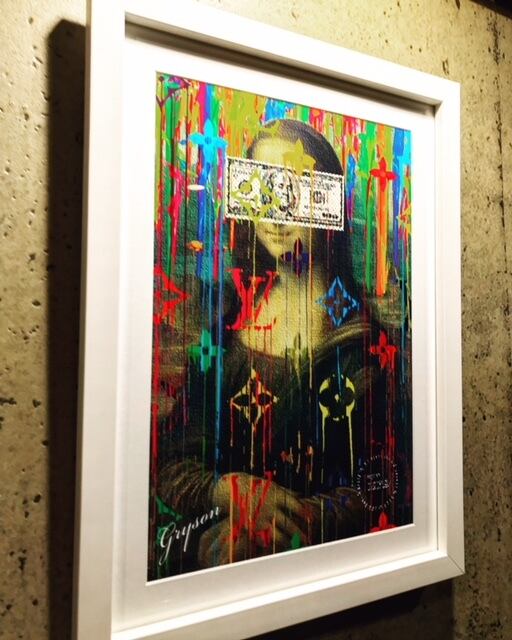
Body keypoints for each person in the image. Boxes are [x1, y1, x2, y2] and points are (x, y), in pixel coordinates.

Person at [153, 119, 391, 576]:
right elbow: (173, 458)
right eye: (261, 190)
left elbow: (383, 483)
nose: (275, 215)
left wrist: (290, 523)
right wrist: (228, 491)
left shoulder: (361, 342)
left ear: (327, 201)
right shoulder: (229, 322)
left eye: (293, 192)